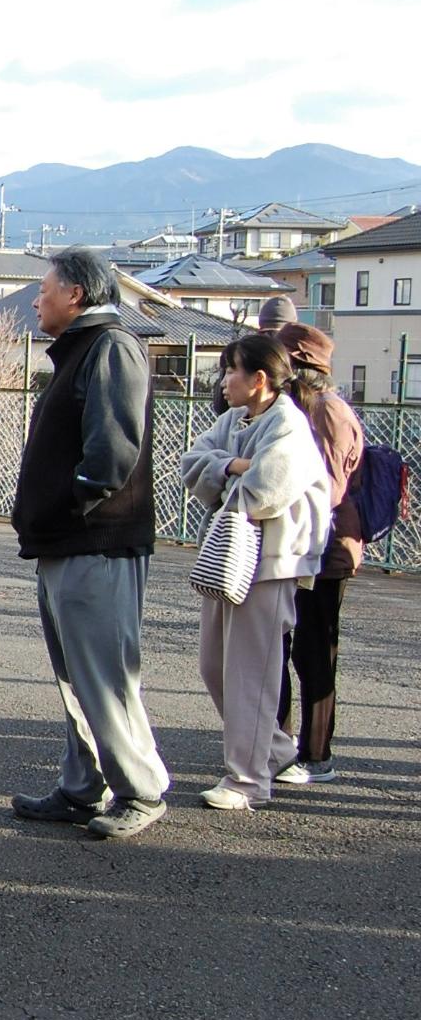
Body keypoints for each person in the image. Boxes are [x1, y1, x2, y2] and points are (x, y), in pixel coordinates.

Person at [9, 249, 171, 839]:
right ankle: (83, 787)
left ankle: (141, 788)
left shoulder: (112, 346)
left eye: (44, 289)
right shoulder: (83, 349)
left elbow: (113, 448)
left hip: (96, 540)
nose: (36, 299)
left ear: (75, 293)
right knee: (76, 674)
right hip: (67, 539)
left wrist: (74, 498)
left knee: (104, 672)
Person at [178, 334, 332, 810]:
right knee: (215, 665)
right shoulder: (232, 420)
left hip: (272, 562)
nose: (223, 381)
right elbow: (191, 463)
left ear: (259, 379)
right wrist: (234, 467)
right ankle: (278, 750)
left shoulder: (290, 425)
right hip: (228, 558)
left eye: (231, 371)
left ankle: (247, 781)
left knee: (251, 671)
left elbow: (267, 489)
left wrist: (224, 470)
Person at [272, 324, 363, 785]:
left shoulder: (328, 411)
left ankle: (316, 753)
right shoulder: (300, 409)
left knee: (314, 651)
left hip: (327, 553)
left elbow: (327, 487)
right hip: (299, 545)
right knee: (283, 646)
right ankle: (282, 748)